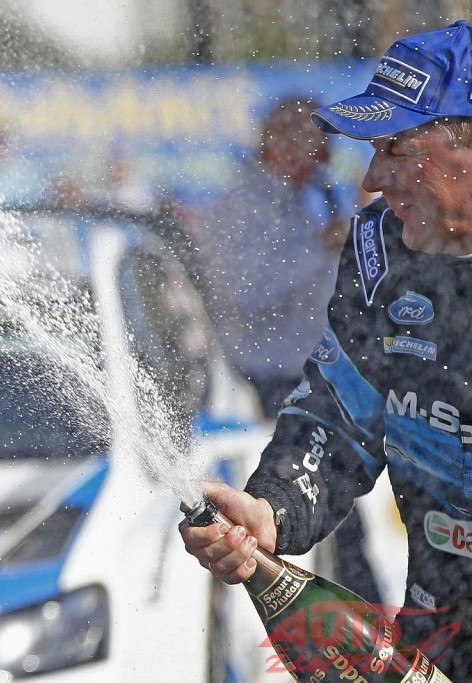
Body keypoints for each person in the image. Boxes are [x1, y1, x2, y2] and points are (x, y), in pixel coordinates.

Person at [180, 19, 472, 676]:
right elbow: (338, 413)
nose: (374, 175)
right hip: (438, 637)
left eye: (395, 148)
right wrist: (272, 507)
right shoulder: (380, 247)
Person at [204, 95, 351, 418]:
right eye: (318, 146)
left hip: (294, 374)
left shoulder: (292, 200)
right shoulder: (244, 206)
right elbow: (245, 294)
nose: (326, 159)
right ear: (282, 144)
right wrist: (319, 248)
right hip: (265, 381)